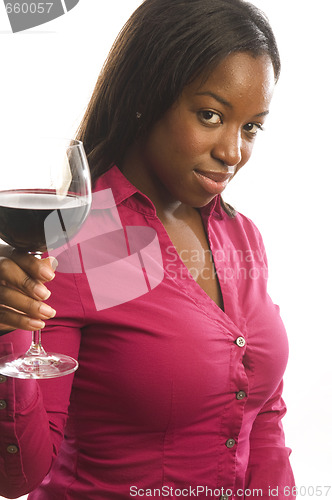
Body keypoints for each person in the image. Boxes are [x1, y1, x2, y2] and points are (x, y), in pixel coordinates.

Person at [0, 0, 296, 498]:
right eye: (210, 115)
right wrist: (9, 334)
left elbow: (263, 413)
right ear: (146, 96)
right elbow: (16, 477)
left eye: (251, 127)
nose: (232, 153)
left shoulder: (239, 235)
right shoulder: (90, 236)